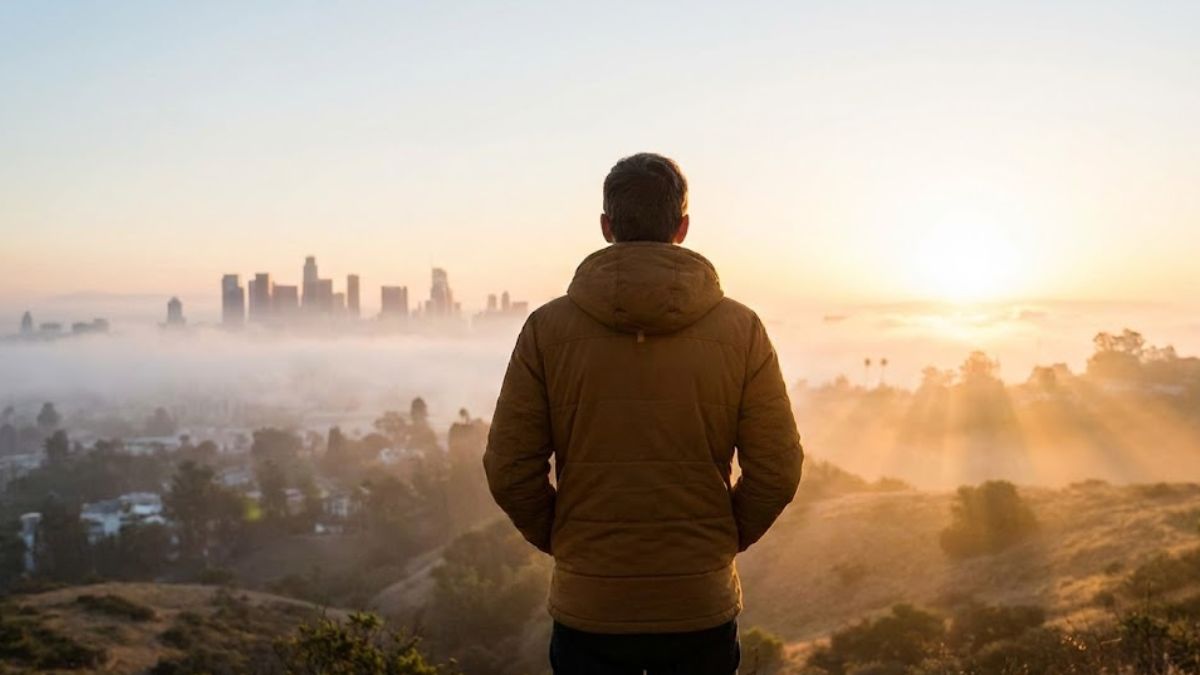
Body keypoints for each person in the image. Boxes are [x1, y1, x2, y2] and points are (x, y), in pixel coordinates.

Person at [484, 152, 804, 674]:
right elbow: (779, 468)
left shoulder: (546, 330)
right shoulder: (741, 330)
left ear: (607, 226)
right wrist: (718, 539)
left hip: (590, 609)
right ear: (682, 227)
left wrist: (570, 540)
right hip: (698, 604)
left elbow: (508, 469)